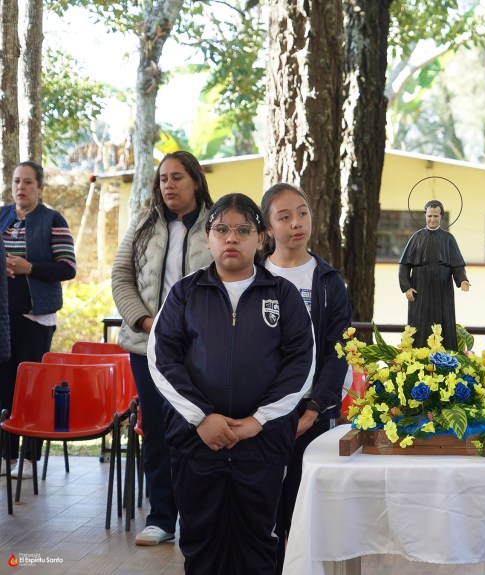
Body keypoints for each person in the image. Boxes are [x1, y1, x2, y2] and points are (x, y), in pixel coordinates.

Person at [149, 193, 315, 575]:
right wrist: (202, 417)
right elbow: (162, 359)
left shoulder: (282, 294)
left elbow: (301, 363)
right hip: (196, 442)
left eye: (243, 230)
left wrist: (259, 419)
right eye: (222, 229)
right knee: (200, 540)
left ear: (261, 239)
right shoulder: (185, 292)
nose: (231, 238)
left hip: (262, 444)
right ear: (208, 238)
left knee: (259, 542)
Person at [111, 150, 213, 545]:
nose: (168, 185)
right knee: (155, 430)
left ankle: (200, 516)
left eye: (177, 178)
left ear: (196, 182)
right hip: (147, 345)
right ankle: (161, 517)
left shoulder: (217, 223)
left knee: (197, 428)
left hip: (201, 349)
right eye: (163, 179)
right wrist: (146, 321)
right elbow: (121, 276)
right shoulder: (145, 222)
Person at [258, 183, 353, 572]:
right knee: (262, 508)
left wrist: (315, 407)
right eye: (284, 217)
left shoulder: (329, 282)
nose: (296, 223)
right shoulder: (253, 274)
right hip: (259, 413)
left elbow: (339, 349)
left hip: (310, 413)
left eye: (302, 212)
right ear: (267, 229)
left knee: (304, 506)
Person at [0, 161, 76, 478]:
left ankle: (30, 459)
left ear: (40, 188)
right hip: (3, 318)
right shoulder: (2, 215)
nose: (21, 187)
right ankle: (6, 457)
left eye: (28, 182)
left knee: (31, 388)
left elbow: (67, 267)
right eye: (17, 181)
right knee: (4, 387)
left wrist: (29, 267)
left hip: (35, 316)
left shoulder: (52, 220)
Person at [398, 199, 470, 350]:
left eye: (436, 216)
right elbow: (404, 265)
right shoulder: (416, 238)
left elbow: (457, 265)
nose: (432, 219)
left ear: (441, 217)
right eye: (429, 216)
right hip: (420, 291)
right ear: (425, 216)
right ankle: (418, 361)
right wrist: (407, 287)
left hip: (443, 291)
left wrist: (462, 280)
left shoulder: (448, 239)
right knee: (420, 324)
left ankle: (445, 362)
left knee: (443, 324)